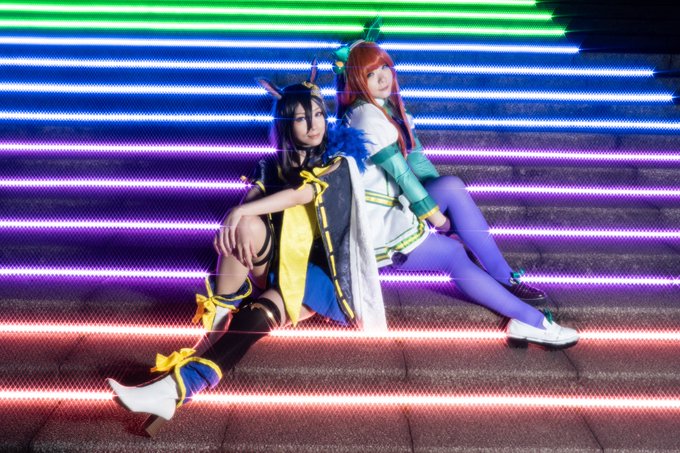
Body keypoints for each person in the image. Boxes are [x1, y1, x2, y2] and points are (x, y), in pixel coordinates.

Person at [107, 73, 385, 436]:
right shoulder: (272, 164)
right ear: (286, 124)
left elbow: (301, 195)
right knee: (244, 226)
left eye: (318, 114)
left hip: (322, 276)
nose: (313, 125)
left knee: (256, 315)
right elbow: (248, 207)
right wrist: (237, 215)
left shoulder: (339, 159)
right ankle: (207, 343)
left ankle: (180, 383)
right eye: (302, 118)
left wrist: (239, 211)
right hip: (281, 264)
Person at [334, 32, 579, 348]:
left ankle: (503, 277)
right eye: (370, 74)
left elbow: (418, 164)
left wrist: (446, 208)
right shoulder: (366, 116)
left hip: (393, 206)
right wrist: (440, 221)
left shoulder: (384, 108)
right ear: (356, 80)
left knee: (451, 186)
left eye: (384, 68)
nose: (382, 77)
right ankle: (529, 321)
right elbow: (403, 176)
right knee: (454, 255)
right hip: (379, 227)